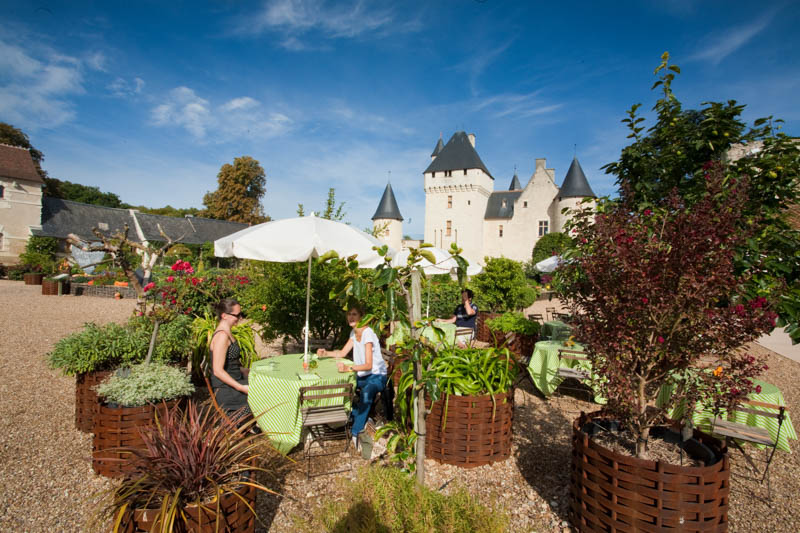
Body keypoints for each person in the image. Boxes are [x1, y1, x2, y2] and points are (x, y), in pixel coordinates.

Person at [317, 304, 387, 449]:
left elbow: (368, 364)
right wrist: (326, 353)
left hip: (376, 376)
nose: (351, 317)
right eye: (349, 314)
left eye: (354, 314)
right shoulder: (353, 333)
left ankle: (355, 433)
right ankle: (361, 417)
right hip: (363, 375)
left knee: (366, 394)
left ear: (362, 317)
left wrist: (348, 368)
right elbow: (342, 353)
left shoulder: (368, 333)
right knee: (342, 390)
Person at [209, 298, 251, 418]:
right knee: (268, 395)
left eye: (241, 314)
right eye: (237, 315)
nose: (240, 318)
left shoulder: (227, 333)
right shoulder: (222, 336)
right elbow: (217, 370)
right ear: (224, 315)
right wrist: (241, 387)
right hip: (227, 390)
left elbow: (230, 363)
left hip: (236, 381)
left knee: (266, 386)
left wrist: (243, 370)